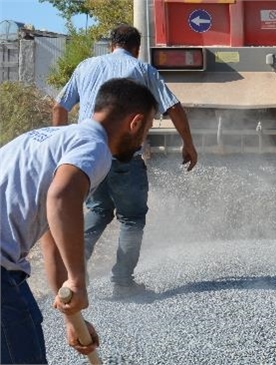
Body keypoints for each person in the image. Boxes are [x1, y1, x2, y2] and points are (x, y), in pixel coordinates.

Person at [1, 78, 158, 364]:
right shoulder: (95, 147)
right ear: (135, 123)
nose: (142, 141)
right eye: (146, 130)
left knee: (27, 329)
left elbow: (51, 238)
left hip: (7, 268)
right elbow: (62, 198)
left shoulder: (51, 138)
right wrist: (78, 280)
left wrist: (73, 317)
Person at [52, 24, 198, 298]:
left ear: (111, 45)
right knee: (131, 218)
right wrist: (188, 144)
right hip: (123, 156)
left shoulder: (86, 66)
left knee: (97, 212)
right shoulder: (143, 70)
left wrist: (63, 146)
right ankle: (122, 283)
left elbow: (59, 106)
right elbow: (173, 107)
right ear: (137, 48)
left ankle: (70, 279)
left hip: (87, 156)